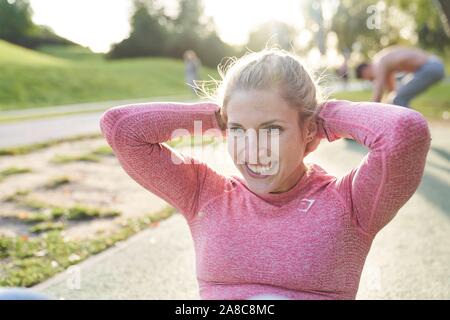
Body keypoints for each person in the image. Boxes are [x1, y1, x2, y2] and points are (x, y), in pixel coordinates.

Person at [99, 48, 431, 300]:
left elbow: (404, 132)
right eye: (238, 131)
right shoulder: (203, 193)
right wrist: (220, 115)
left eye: (271, 130)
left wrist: (321, 118)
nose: (252, 149)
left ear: (309, 131)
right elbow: (121, 129)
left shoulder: (351, 204)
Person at [355, 46, 445, 108]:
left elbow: (379, 91)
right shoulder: (385, 65)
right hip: (432, 66)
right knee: (395, 100)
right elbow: (392, 91)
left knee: (398, 99)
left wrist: (369, 111)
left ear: (365, 70)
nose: (371, 80)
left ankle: (414, 128)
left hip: (430, 67)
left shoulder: (378, 62)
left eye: (367, 77)